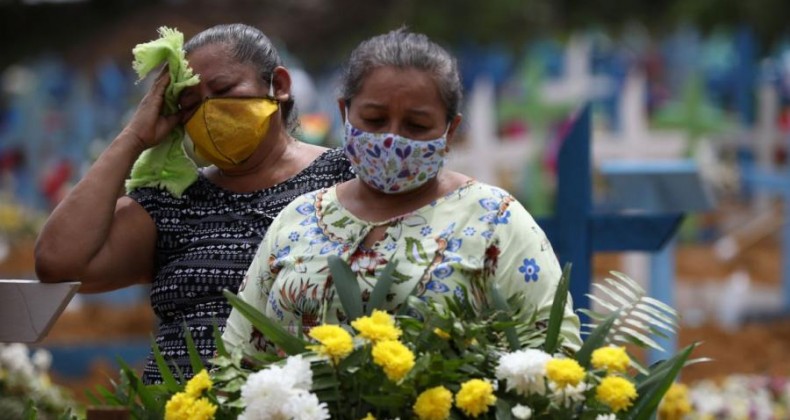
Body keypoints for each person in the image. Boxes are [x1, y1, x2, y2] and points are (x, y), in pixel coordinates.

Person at [222, 29, 581, 355]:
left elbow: (552, 355)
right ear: (344, 113)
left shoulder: (493, 219)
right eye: (375, 120)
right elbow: (239, 357)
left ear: (450, 130)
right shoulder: (298, 220)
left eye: (417, 125)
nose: (392, 138)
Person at [34, 23, 354, 384]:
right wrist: (134, 137)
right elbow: (58, 262)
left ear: (278, 86)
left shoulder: (344, 178)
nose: (208, 111)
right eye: (189, 104)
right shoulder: (172, 204)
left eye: (223, 90)